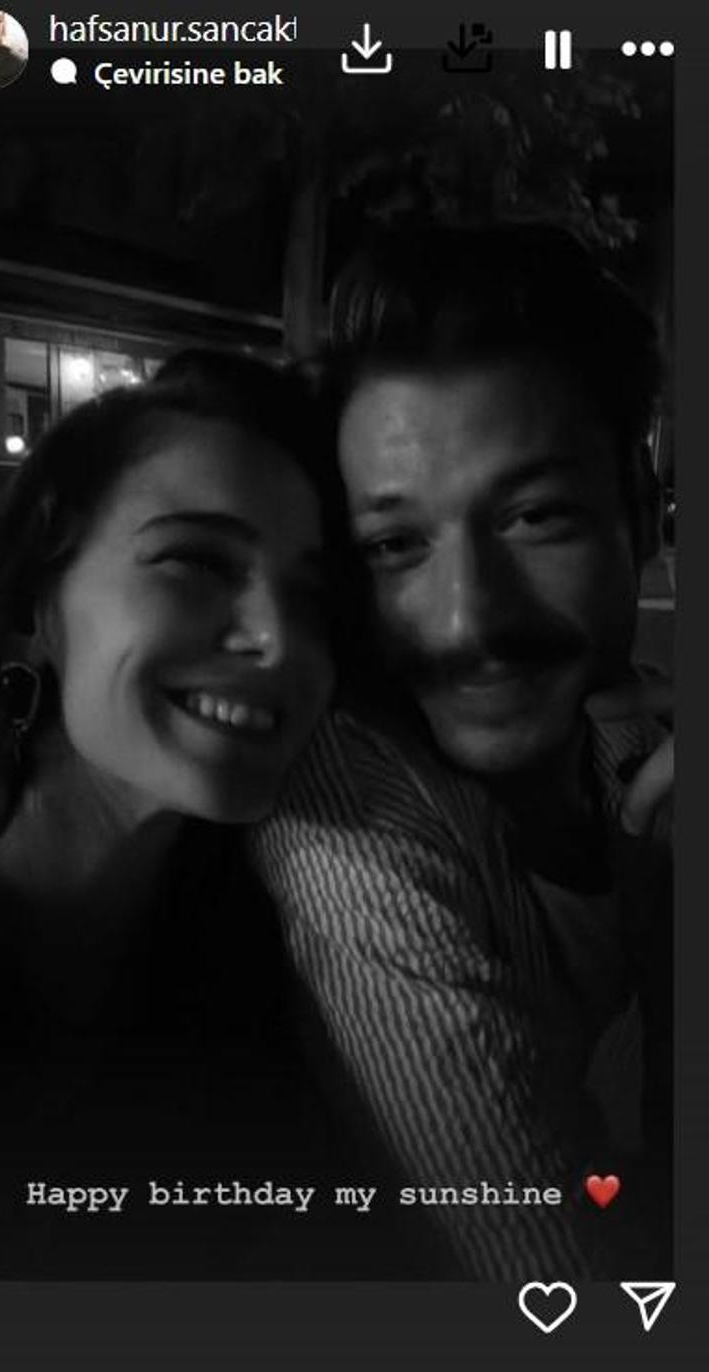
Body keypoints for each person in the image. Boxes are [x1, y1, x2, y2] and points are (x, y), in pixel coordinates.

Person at [249, 224, 673, 1280]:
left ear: (640, 510)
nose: (465, 617)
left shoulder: (632, 731)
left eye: (534, 516)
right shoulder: (354, 822)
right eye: (396, 545)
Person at [0, 357, 419, 1279]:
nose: (276, 640)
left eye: (312, 600)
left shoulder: (292, 930)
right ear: (33, 598)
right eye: (197, 561)